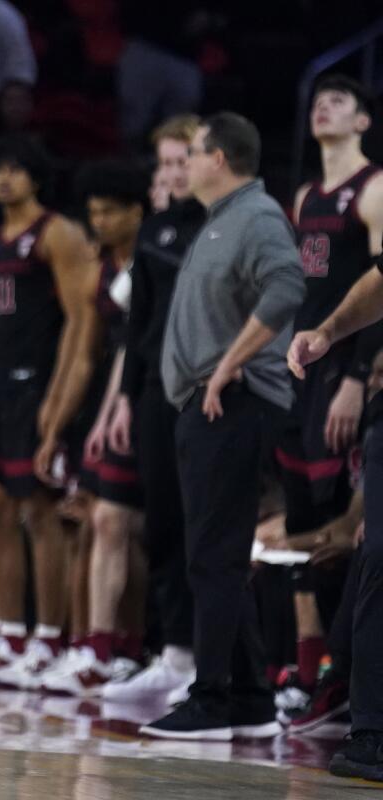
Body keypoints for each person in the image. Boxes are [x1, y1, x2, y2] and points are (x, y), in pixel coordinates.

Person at [141, 112, 304, 741]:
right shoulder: (223, 219)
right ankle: (253, 699)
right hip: (205, 408)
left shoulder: (257, 216)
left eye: (196, 152)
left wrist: (229, 365)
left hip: (234, 406)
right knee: (215, 556)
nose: (186, 163)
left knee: (214, 557)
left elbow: (288, 286)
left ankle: (210, 699)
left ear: (220, 158)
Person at [0, 135, 100, 690]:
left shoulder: (56, 233)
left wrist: (58, 398)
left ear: (36, 177)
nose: (4, 179)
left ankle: (48, 639)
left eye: (16, 169)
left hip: (36, 387)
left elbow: (78, 323)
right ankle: (6, 635)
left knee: (42, 516)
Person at [275, 74, 383, 717]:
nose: (324, 106)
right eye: (318, 99)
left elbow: (382, 289)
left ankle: (346, 675)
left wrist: (355, 375)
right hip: (305, 360)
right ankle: (310, 666)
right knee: (300, 523)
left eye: (341, 100)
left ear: (364, 122)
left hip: (346, 366)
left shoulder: (372, 188)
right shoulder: (306, 195)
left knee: (348, 523)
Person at [102, 114, 205, 705]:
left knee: (201, 529)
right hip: (152, 398)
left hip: (205, 396)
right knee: (161, 524)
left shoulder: (224, 226)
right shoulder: (155, 230)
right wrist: (123, 399)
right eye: (164, 163)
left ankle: (207, 661)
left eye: (180, 160)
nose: (171, 173)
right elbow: (137, 323)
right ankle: (173, 655)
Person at [43, 159, 149, 695]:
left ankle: (123, 646)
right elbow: (84, 354)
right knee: (94, 524)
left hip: (141, 401)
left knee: (122, 527)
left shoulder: (154, 259)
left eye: (110, 212)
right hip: (100, 406)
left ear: (137, 210)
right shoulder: (97, 269)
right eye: (94, 213)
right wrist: (59, 419)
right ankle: (92, 644)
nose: (100, 222)